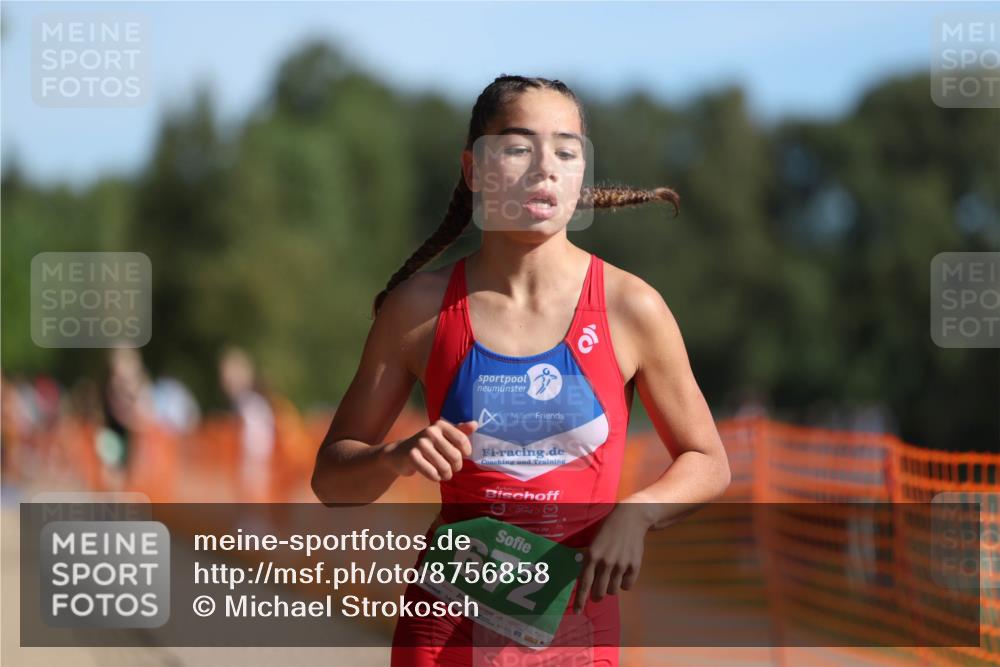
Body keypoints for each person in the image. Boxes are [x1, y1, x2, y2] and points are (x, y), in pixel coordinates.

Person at [311, 74, 732, 667]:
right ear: (474, 169)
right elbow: (331, 481)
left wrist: (636, 517)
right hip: (444, 633)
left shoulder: (630, 307)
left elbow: (708, 460)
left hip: (575, 636)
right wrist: (394, 457)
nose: (545, 168)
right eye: (517, 147)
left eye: (566, 151)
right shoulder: (419, 310)